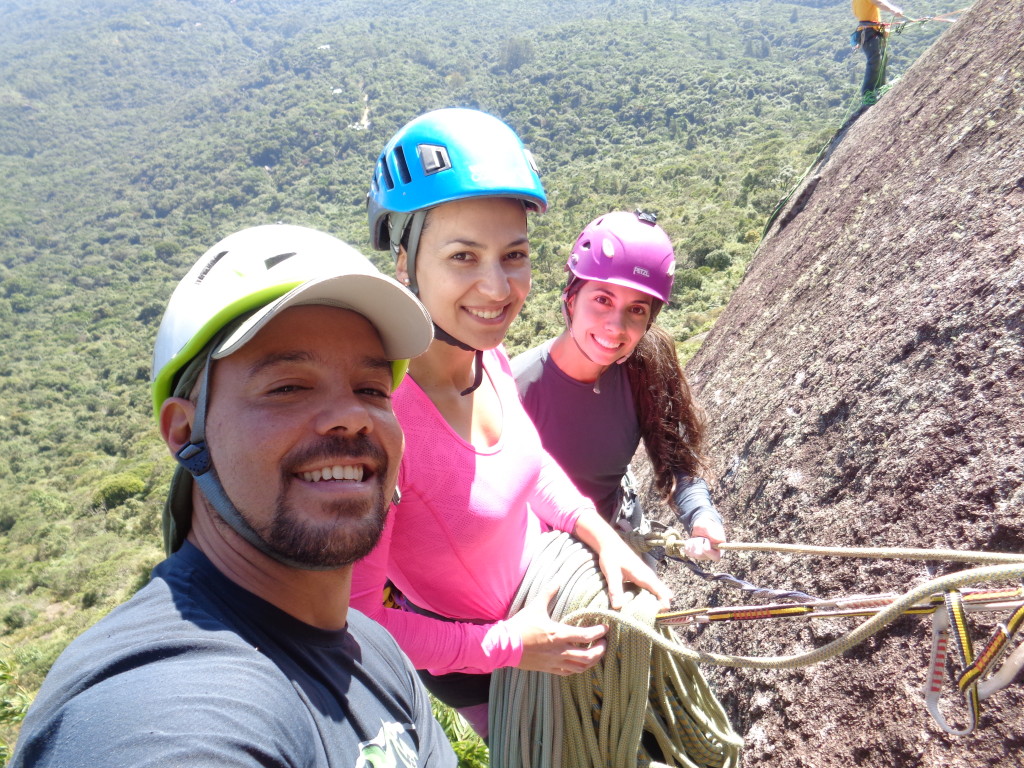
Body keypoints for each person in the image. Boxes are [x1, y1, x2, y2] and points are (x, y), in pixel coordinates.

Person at [9, 224, 457, 768]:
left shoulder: (374, 654)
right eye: (288, 387)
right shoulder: (159, 708)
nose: (352, 417)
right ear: (183, 432)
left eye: (371, 390)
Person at [351, 108, 672, 739]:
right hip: (482, 663)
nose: (497, 287)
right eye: (463, 257)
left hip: (547, 594)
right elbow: (360, 622)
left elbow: (527, 462)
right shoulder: (379, 428)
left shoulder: (485, 354)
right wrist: (510, 647)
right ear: (405, 265)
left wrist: (595, 531)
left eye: (514, 254)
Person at [511, 210, 727, 565]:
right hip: (540, 552)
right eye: (603, 300)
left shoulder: (645, 367)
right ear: (571, 300)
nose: (616, 326)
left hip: (616, 526)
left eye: (637, 310)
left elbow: (675, 459)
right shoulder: (516, 389)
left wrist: (701, 515)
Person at [851, 0, 909, 101]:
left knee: (882, 58)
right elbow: (878, 2)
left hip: (870, 29)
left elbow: (859, 14)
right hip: (869, 30)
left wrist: (878, 26)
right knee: (875, 59)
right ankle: (867, 93)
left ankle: (880, 87)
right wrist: (893, 9)